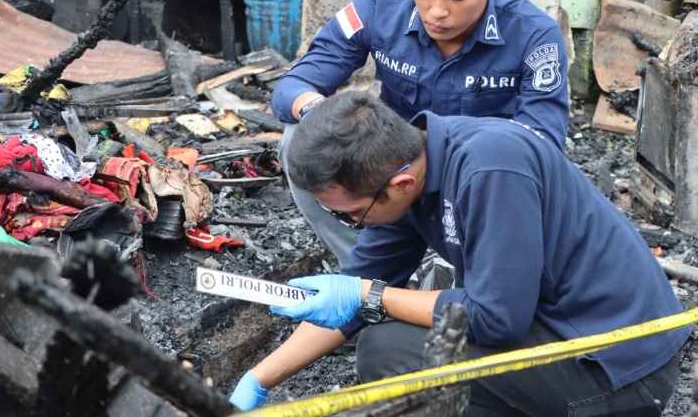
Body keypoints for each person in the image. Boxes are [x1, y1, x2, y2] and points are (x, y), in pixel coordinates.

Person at [230, 91, 689, 415]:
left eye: (350, 216)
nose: (350, 227)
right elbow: (352, 300)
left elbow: (495, 318)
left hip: (618, 369)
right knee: (387, 328)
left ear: (400, 184)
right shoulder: (410, 170)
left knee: (393, 349)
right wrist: (257, 380)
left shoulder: (492, 167)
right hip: (556, 331)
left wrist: (370, 297)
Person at [273, 0, 570, 268]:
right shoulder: (379, 7)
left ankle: (470, 271)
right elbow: (293, 85)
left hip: (479, 182)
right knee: (299, 138)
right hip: (390, 178)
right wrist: (319, 113)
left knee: (483, 302)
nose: (437, 12)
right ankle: (362, 260)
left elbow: (543, 142)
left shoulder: (533, 36)